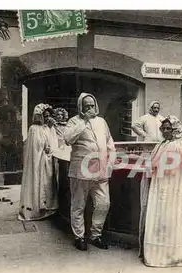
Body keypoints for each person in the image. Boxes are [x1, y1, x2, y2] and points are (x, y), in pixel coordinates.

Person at [140, 115, 182, 267]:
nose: (165, 131)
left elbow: (164, 164)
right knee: (163, 218)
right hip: (163, 184)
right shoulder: (162, 144)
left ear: (176, 129)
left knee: (175, 217)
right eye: (163, 128)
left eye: (169, 128)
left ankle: (176, 254)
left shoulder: (181, 145)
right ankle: (162, 253)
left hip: (176, 187)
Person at [63, 93, 116, 251]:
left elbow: (109, 142)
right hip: (81, 170)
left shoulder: (101, 122)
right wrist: (84, 121)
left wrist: (110, 163)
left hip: (100, 170)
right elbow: (68, 139)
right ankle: (79, 236)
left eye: (92, 105)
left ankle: (95, 235)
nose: (90, 109)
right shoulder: (74, 121)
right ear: (81, 107)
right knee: (78, 205)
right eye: (86, 106)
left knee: (103, 203)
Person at [18, 103, 59, 221]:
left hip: (48, 160)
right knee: (38, 182)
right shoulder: (34, 129)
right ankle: (37, 209)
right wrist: (45, 147)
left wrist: (51, 132)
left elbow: (54, 143)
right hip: (39, 161)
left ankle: (48, 208)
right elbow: (36, 147)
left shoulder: (49, 128)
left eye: (48, 116)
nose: (46, 118)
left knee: (48, 184)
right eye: (44, 116)